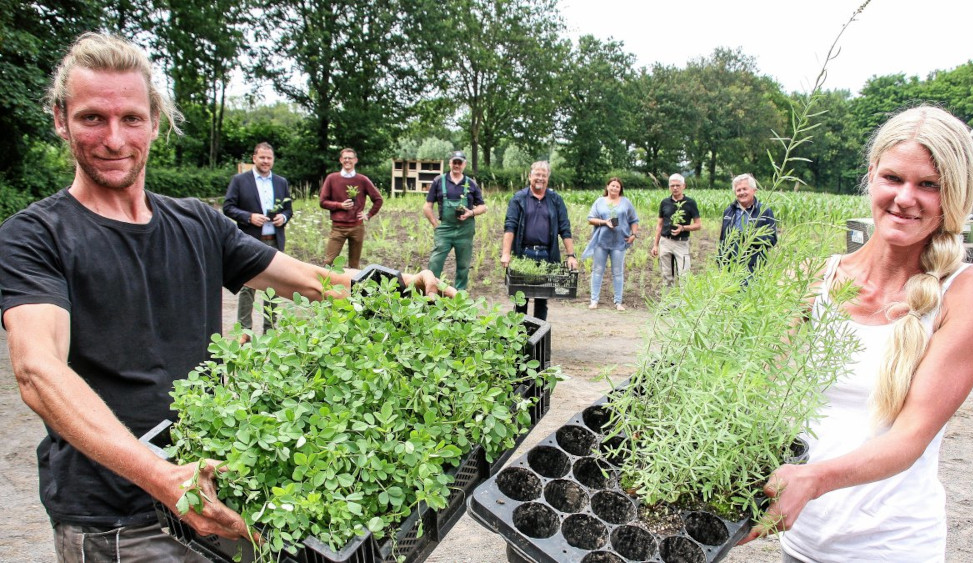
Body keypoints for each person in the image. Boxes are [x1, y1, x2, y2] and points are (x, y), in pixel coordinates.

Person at [0, 32, 450, 562]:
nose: (115, 139)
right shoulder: (35, 236)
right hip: (117, 520)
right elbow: (38, 371)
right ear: (60, 119)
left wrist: (400, 286)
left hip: (213, 497)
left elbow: (310, 281)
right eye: (92, 118)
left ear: (157, 121)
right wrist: (163, 478)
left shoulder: (195, 222)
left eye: (132, 119)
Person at [740, 106, 973, 561]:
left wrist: (813, 479)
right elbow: (757, 392)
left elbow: (909, 438)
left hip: (891, 547)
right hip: (802, 542)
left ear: (955, 194)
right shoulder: (810, 279)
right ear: (871, 176)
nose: (905, 198)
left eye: (929, 185)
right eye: (893, 178)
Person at [223, 142, 292, 343]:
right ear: (254, 158)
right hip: (250, 240)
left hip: (274, 241)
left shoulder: (281, 182)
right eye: (262, 157)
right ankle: (245, 331)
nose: (265, 161)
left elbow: (289, 209)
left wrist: (284, 218)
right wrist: (249, 217)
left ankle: (270, 329)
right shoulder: (240, 181)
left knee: (274, 286)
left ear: (273, 160)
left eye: (269, 158)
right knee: (247, 286)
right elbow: (228, 207)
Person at [500, 161, 577, 320]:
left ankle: (538, 335)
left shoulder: (555, 199)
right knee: (521, 298)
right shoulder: (519, 198)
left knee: (542, 298)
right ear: (530, 176)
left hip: (547, 255)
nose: (540, 178)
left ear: (548, 178)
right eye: (537, 174)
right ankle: (519, 336)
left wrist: (571, 255)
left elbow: (564, 228)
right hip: (524, 254)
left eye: (544, 175)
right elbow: (510, 226)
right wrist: (506, 253)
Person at [422, 151, 487, 290]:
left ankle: (459, 297)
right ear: (450, 163)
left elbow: (483, 207)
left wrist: (471, 212)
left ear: (464, 164)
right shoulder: (439, 181)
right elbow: (427, 207)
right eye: (454, 162)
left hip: (465, 230)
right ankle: (431, 293)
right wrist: (435, 224)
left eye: (460, 162)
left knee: (463, 266)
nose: (457, 165)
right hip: (445, 229)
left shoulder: (471, 183)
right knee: (435, 263)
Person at [319, 148, 383, 269]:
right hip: (338, 227)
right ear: (340, 160)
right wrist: (340, 205)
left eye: (350, 158)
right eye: (345, 158)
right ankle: (325, 287)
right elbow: (323, 202)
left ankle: (352, 287)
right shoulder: (332, 178)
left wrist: (368, 215)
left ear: (355, 160)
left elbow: (378, 199)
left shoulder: (362, 180)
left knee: (354, 264)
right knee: (329, 261)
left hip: (357, 227)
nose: (347, 160)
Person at [581, 177, 639, 310]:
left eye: (617, 186)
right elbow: (590, 219)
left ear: (620, 189)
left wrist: (633, 235)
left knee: (618, 272)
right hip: (601, 242)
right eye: (612, 186)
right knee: (598, 270)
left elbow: (634, 220)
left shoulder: (626, 203)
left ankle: (618, 302)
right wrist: (604, 222)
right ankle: (594, 300)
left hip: (619, 242)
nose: (614, 188)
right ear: (607, 187)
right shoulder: (599, 202)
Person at [717, 173, 777, 276]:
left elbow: (772, 239)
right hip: (730, 265)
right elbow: (723, 238)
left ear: (754, 190)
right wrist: (720, 259)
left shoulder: (765, 211)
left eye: (745, 189)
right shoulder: (728, 211)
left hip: (754, 266)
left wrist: (748, 238)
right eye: (738, 190)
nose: (741, 192)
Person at [651, 173, 701, 288]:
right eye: (672, 185)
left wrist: (683, 228)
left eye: (678, 185)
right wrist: (655, 245)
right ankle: (668, 303)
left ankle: (684, 304)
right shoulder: (664, 203)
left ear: (684, 186)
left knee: (684, 275)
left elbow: (698, 225)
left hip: (681, 243)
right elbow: (660, 225)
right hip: (665, 242)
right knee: (666, 276)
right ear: (669, 187)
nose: (675, 188)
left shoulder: (690, 203)